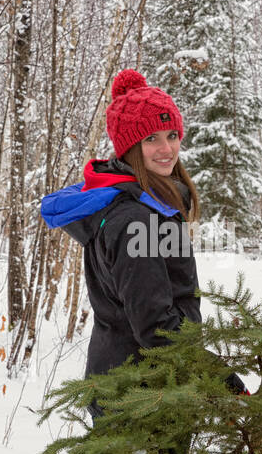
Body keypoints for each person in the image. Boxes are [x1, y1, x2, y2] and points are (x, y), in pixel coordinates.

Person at [41, 68, 244, 421]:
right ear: (130, 147)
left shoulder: (152, 206)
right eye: (151, 139)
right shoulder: (136, 221)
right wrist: (221, 379)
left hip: (146, 386)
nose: (167, 149)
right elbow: (157, 328)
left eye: (172, 135)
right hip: (139, 396)